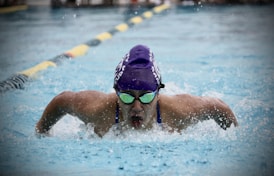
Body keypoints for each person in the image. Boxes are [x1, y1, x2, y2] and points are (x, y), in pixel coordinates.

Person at [36, 44, 238, 137]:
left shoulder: (179, 111)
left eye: (146, 96)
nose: (136, 106)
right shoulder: (96, 111)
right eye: (126, 96)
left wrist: (235, 136)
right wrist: (41, 133)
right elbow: (62, 100)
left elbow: (216, 106)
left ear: (158, 93)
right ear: (116, 93)